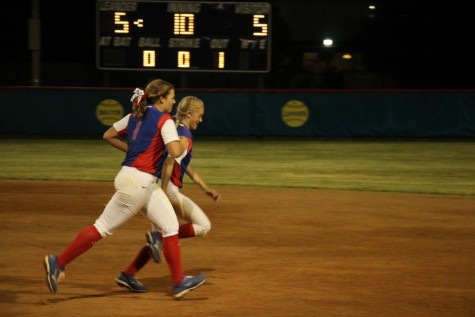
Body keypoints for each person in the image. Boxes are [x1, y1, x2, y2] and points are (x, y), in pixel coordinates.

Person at [43, 79, 207, 299]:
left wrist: (133, 150)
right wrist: (184, 144)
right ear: (161, 98)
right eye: (171, 97)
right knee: (102, 227)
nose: (173, 101)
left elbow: (108, 135)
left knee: (169, 227)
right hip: (139, 182)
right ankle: (58, 262)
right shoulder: (165, 120)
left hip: (140, 181)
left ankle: (178, 282)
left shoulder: (135, 116)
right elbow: (175, 151)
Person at [115, 96, 220, 293]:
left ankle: (128, 274)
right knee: (203, 226)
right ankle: (168, 261)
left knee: (161, 236)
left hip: (156, 185)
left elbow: (182, 163)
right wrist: (162, 193)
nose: (201, 119)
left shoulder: (176, 128)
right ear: (190, 114)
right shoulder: (184, 136)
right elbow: (170, 163)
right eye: (200, 115)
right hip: (167, 189)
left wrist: (204, 187)